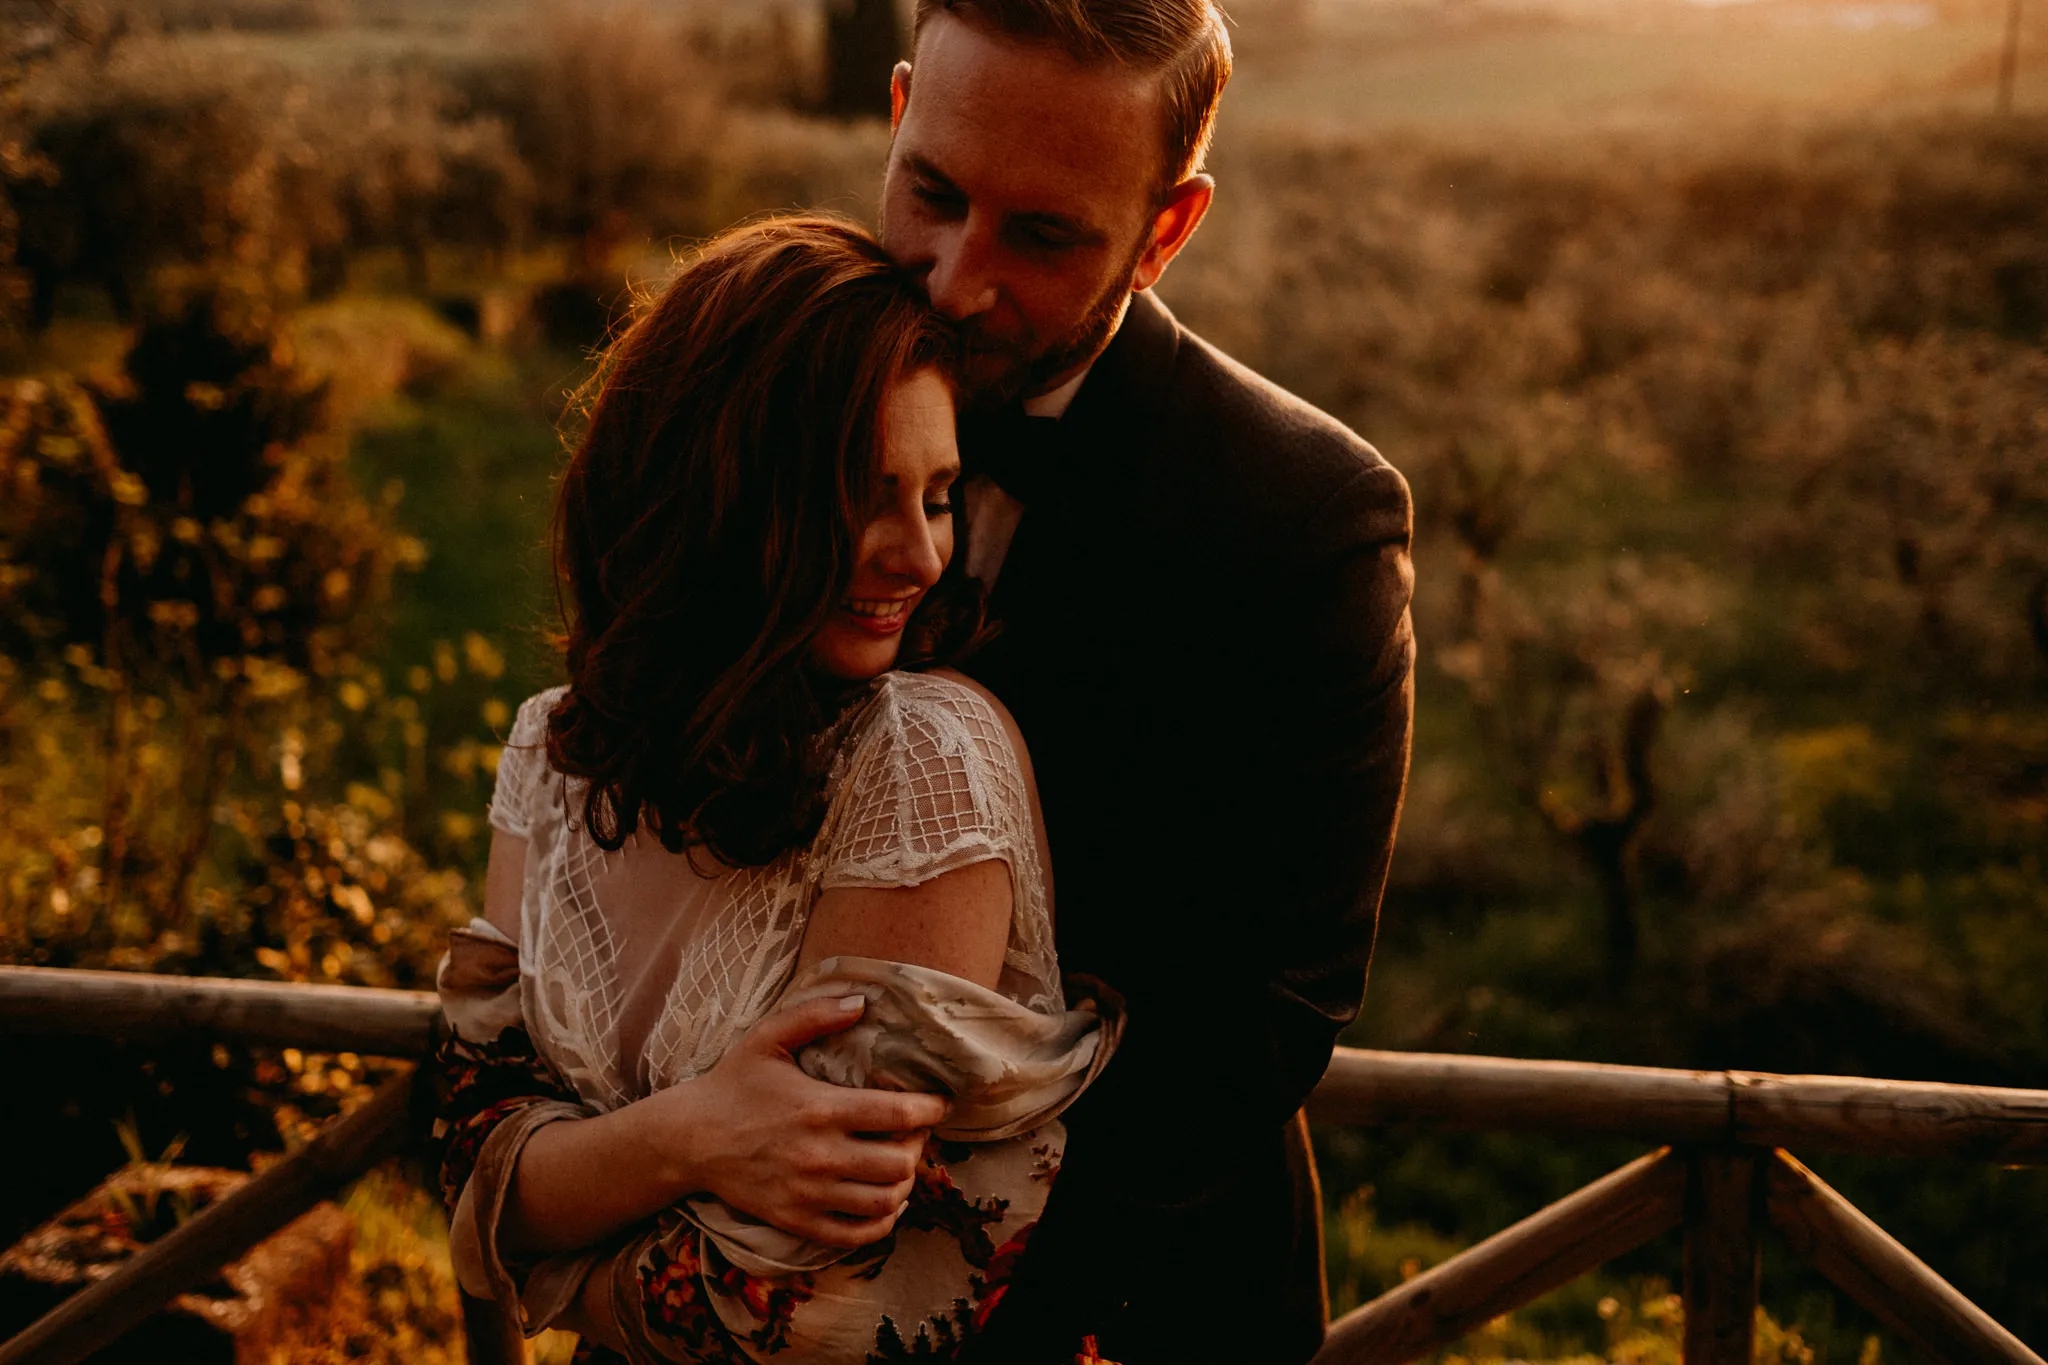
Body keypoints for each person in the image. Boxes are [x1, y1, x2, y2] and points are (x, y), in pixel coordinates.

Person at [432, 216, 1122, 1363]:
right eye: (863, 494)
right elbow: (462, 1144)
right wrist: (690, 1141)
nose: (920, 555)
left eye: (939, 495)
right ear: (717, 492)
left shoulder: (921, 764)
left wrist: (548, 1222)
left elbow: (801, 1309)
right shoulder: (551, 753)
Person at [877, 3, 1416, 1361]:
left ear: (1167, 230)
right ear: (895, 114)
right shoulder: (752, 405)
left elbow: (1263, 1014)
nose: (954, 279)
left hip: (1125, 1303)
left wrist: (945, 1302)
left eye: (1042, 235)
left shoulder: (1305, 519)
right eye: (932, 193)